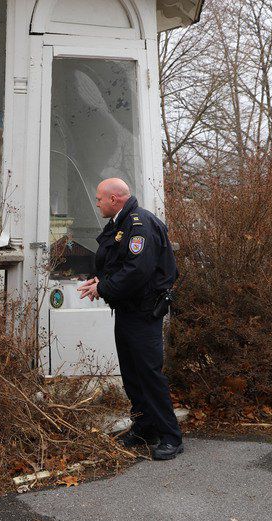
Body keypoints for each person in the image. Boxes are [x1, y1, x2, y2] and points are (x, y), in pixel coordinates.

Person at [78, 178, 183, 460]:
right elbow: (121, 265)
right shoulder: (121, 224)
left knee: (149, 373)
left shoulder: (139, 225)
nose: (97, 202)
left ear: (114, 199)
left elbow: (137, 271)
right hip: (127, 309)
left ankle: (171, 436)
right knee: (132, 374)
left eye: (100, 198)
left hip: (144, 311)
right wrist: (101, 281)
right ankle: (144, 427)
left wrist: (103, 288)